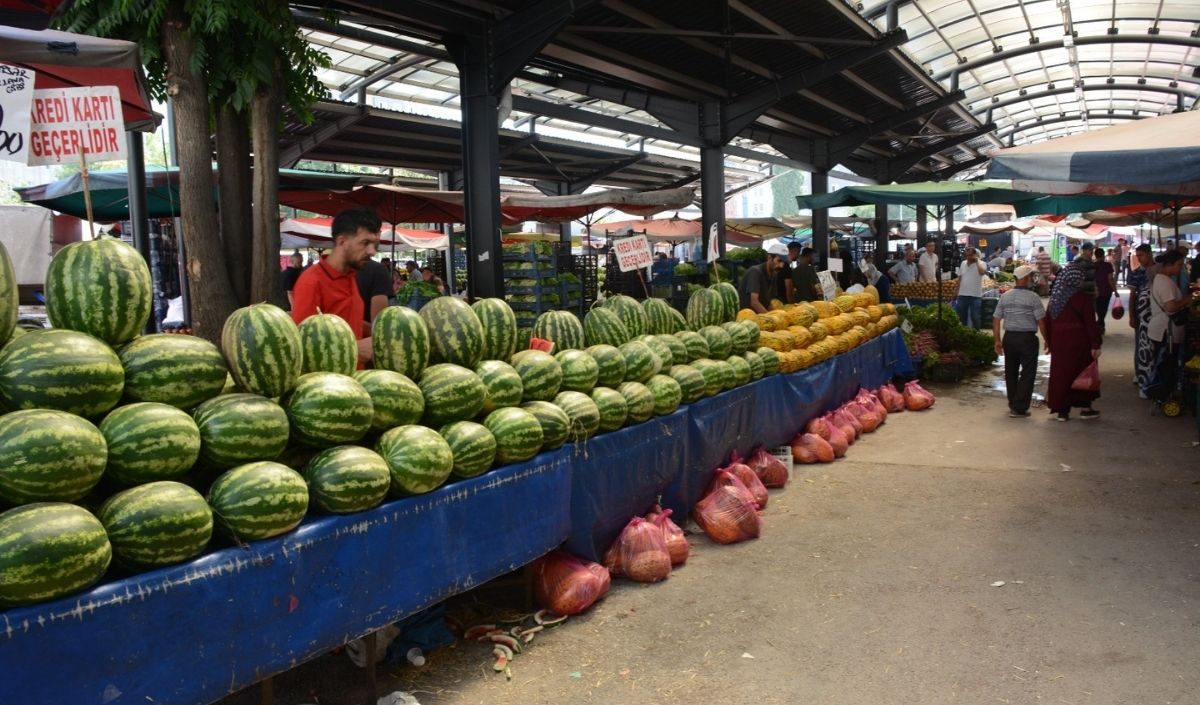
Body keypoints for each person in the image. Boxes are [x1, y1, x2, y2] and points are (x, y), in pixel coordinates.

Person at [291, 207, 381, 364]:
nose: (372, 251)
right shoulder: (311, 282)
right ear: (342, 242)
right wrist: (355, 348)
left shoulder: (351, 275)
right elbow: (302, 348)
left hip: (355, 379)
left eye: (375, 244)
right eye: (365, 243)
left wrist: (380, 332)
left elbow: (344, 321)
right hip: (330, 384)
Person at [1044, 266, 1101, 421]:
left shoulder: (1055, 299)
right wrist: (1095, 344)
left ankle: (1063, 411)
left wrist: (1049, 342)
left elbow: (1048, 322)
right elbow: (1090, 323)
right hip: (1079, 342)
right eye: (1080, 278)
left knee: (1062, 374)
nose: (1082, 281)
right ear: (1075, 279)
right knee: (1082, 373)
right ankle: (1085, 408)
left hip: (1059, 342)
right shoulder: (1082, 298)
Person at [992, 265, 1046, 418]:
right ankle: (1019, 407)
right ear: (1025, 278)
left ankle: (1013, 404)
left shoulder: (1005, 296)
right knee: (1028, 373)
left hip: (1010, 338)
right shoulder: (1033, 297)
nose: (1032, 279)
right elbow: (1041, 321)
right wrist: (1048, 340)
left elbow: (996, 319)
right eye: (1030, 276)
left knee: (1011, 372)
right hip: (1027, 339)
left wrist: (997, 340)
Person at [1144, 249, 1195, 406]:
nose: (1181, 268)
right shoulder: (1164, 282)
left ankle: (1163, 396)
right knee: (1167, 366)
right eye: (1179, 264)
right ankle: (1164, 397)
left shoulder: (1163, 279)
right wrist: (1188, 299)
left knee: (1165, 365)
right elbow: (1171, 307)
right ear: (1170, 265)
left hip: (1163, 329)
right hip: (1166, 331)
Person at [1128, 244, 1157, 395]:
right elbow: (1133, 296)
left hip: (1157, 314)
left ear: (1149, 254)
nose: (1138, 259)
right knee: (1141, 343)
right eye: (1137, 256)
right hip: (1142, 314)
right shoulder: (1135, 273)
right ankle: (1139, 373)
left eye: (1141, 255)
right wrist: (1132, 316)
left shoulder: (1159, 269)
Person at [738, 243, 788, 313]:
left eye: (783, 262)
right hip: (746, 316)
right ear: (769, 258)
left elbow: (768, 303)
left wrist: (776, 315)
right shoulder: (755, 272)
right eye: (779, 261)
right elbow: (754, 302)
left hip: (759, 316)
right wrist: (769, 317)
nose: (781, 266)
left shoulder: (774, 275)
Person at [356, 257, 393, 332]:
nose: (372, 251)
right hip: (365, 340)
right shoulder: (378, 270)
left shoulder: (377, 270)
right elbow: (378, 329)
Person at [953, 247, 986, 329]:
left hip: (975, 295)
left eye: (970, 255)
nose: (968, 257)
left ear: (975, 255)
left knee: (975, 317)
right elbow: (960, 279)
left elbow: (982, 272)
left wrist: (977, 261)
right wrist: (956, 292)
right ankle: (964, 333)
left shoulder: (981, 263)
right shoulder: (963, 263)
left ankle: (977, 334)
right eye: (966, 255)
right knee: (961, 317)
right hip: (962, 295)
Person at [1093, 246, 1116, 336]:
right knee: (1104, 308)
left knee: (1098, 308)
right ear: (1103, 255)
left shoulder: (1092, 265)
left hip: (1095, 291)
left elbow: (1091, 279)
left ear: (1095, 255)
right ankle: (1100, 324)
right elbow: (1110, 279)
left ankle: (1099, 324)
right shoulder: (1108, 265)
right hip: (1106, 290)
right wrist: (1115, 290)